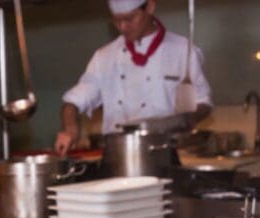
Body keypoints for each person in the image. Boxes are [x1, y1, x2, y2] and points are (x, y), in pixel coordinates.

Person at [55, 0, 212, 155]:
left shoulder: (182, 51)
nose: (123, 27)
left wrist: (179, 122)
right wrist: (70, 128)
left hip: (163, 154)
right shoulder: (104, 57)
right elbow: (73, 102)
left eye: (129, 19)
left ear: (150, 6)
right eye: (116, 20)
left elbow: (202, 103)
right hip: (116, 156)